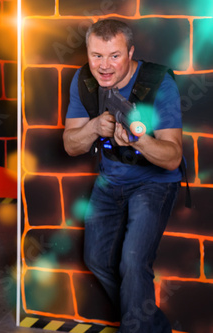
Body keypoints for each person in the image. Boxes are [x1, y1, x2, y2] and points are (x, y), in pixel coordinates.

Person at [63, 19, 183, 333]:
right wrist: (93, 127)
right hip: (109, 181)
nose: (104, 66)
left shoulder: (159, 82)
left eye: (114, 56)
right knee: (97, 260)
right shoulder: (84, 80)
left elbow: (173, 158)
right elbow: (70, 144)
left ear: (130, 52)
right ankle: (152, 326)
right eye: (96, 56)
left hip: (153, 183)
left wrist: (139, 139)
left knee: (132, 263)